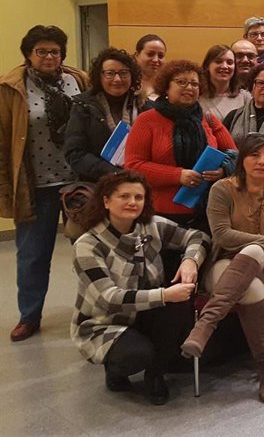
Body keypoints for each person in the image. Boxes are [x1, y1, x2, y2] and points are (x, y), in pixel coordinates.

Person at [181, 133, 264, 402]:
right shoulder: (222, 188)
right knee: (252, 280)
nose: (262, 161)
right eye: (254, 155)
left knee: (256, 255)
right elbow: (222, 235)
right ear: (242, 159)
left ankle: (205, 325)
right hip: (224, 265)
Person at [71, 170, 207, 405]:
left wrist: (190, 260)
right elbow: (110, 298)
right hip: (105, 321)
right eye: (124, 196)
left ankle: (156, 374)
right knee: (136, 354)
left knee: (180, 302)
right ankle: (115, 369)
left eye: (138, 197)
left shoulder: (151, 225)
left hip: (147, 311)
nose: (132, 202)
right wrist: (164, 295)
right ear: (106, 201)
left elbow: (198, 236)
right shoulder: (88, 244)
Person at [1, 25, 89, 341]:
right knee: (33, 256)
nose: (49, 57)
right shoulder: (10, 89)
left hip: (79, 183)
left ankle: (93, 310)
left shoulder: (79, 81)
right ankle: (29, 316)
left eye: (55, 51)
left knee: (89, 252)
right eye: (42, 51)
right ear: (28, 54)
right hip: (36, 185)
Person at [126, 59, 237, 227]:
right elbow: (133, 166)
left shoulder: (209, 119)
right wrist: (178, 176)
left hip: (207, 211)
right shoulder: (147, 120)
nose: (189, 88)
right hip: (158, 215)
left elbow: (235, 156)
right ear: (166, 87)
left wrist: (222, 171)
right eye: (181, 82)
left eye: (194, 84)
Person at [65, 48, 143, 187]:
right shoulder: (83, 106)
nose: (117, 79)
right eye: (110, 73)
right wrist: (115, 173)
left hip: (139, 185)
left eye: (124, 73)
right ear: (99, 76)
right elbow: (75, 154)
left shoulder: (144, 106)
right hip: (98, 186)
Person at [199, 44, 249, 122]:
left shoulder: (245, 97)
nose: (225, 66)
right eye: (218, 61)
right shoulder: (198, 97)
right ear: (207, 66)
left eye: (230, 62)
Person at [134, 34, 166, 102]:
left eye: (160, 56)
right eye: (150, 54)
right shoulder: (128, 84)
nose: (156, 60)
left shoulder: (168, 86)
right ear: (137, 56)